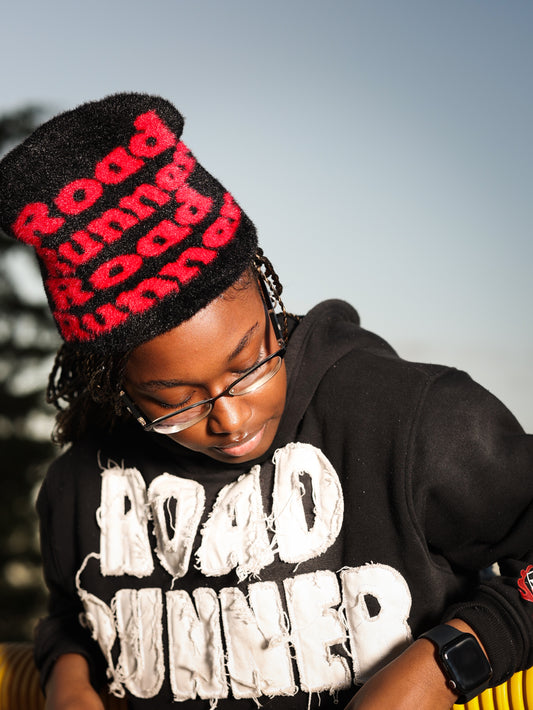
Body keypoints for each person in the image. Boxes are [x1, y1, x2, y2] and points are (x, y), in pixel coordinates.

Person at [0, 93, 531, 710]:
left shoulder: (413, 420)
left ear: (267, 299)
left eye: (249, 362)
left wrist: (448, 662)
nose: (228, 418)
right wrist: (66, 677)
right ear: (113, 385)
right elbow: (74, 614)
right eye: (173, 401)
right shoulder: (79, 487)